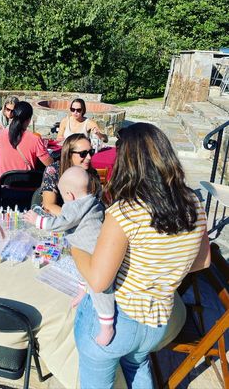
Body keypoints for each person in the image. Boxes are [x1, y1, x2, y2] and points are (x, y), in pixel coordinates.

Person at [70, 123, 211, 389]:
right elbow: (203, 261)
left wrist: (75, 248)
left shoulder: (126, 211)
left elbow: (99, 282)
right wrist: (162, 266)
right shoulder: (193, 203)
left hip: (119, 319)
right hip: (158, 321)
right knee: (137, 365)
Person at [25, 166, 115, 346]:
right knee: (80, 271)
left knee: (101, 289)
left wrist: (38, 221)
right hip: (84, 248)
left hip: (93, 252)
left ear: (70, 195)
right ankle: (82, 292)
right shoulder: (91, 200)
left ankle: (107, 324)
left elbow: (61, 222)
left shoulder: (74, 206)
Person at [0, 101, 53, 184]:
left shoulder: (1, 134)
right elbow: (49, 164)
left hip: (2, 184)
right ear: (29, 119)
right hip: (25, 186)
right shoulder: (34, 139)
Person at [42, 133, 99, 215]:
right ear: (69, 154)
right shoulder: (54, 171)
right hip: (59, 221)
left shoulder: (92, 173)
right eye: (83, 154)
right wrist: (74, 219)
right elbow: (49, 205)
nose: (89, 157)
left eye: (91, 152)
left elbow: (96, 204)